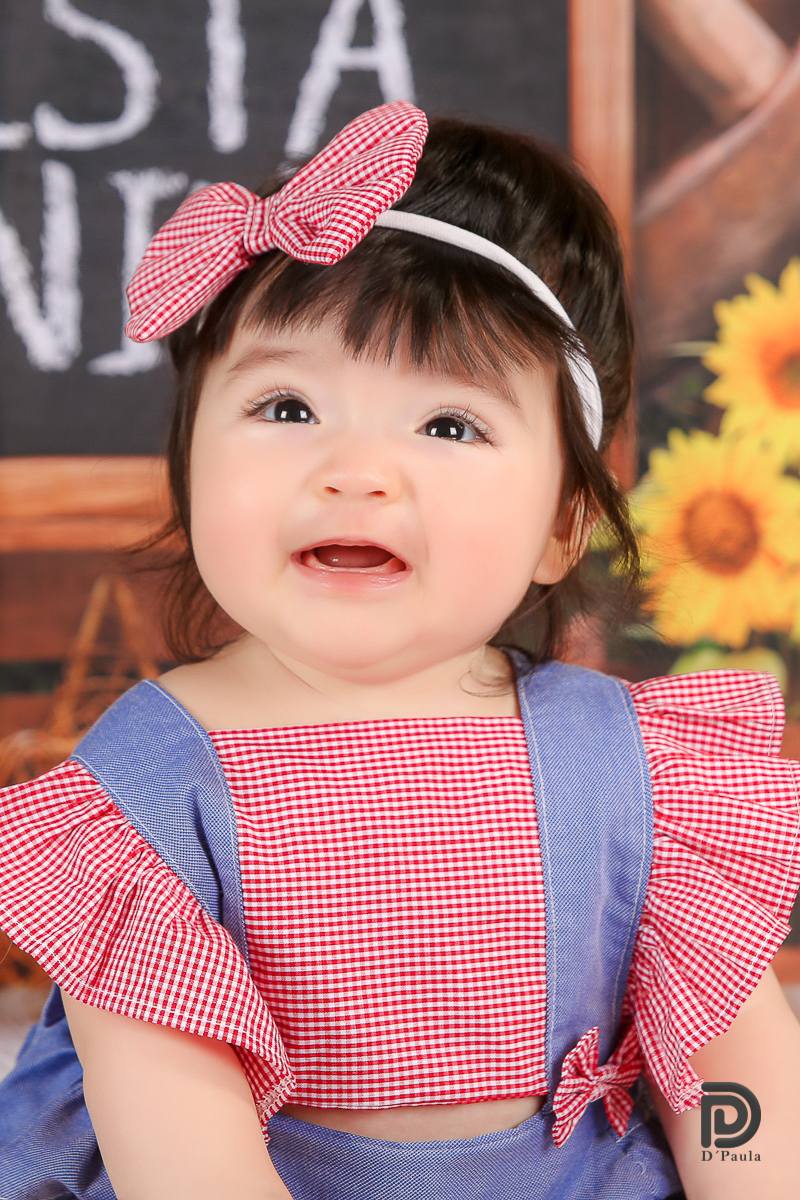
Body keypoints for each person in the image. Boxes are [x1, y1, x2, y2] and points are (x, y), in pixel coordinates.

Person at [0, 101, 798, 1200]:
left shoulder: (628, 763)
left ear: (562, 522)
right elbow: (180, 1150)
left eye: (447, 426)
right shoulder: (145, 789)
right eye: (286, 406)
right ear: (184, 472)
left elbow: (728, 1062)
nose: (356, 471)